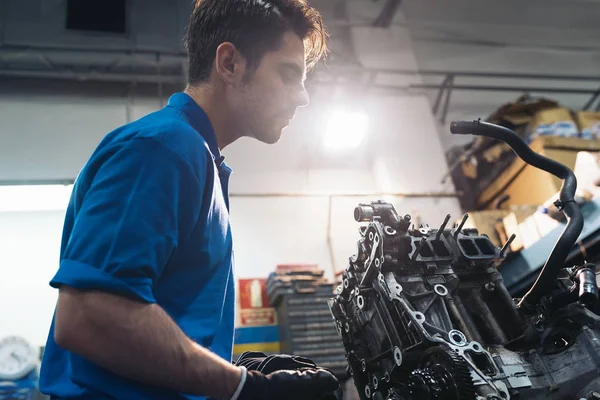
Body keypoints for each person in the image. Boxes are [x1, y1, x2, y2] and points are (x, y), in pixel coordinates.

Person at [38, 0, 338, 399]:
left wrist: (228, 364)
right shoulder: (163, 149)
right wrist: (242, 387)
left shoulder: (198, 159)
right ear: (229, 63)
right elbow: (90, 316)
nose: (302, 97)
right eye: (288, 74)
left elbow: (164, 313)